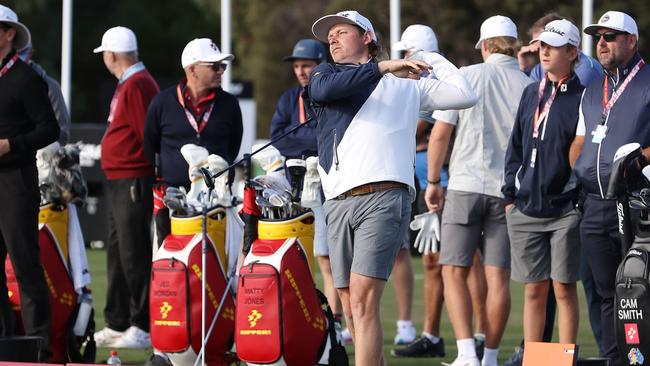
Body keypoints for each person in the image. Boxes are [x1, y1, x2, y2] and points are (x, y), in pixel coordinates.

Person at [308, 10, 477, 365]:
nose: (332, 40)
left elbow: (464, 94)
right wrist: (383, 68)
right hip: (337, 202)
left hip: (384, 197)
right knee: (350, 304)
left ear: (367, 37)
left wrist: (427, 57)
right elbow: (323, 90)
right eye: (330, 36)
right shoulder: (327, 74)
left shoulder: (407, 82)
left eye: (341, 32)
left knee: (362, 300)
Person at [425, 15, 532, 366]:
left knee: (453, 269)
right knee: (497, 276)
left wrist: (433, 182)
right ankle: (489, 358)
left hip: (464, 186)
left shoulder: (466, 76)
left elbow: (439, 134)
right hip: (509, 192)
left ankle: (467, 353)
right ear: (514, 44)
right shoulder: (528, 85)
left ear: (484, 46)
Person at [391, 24, 487, 358]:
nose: (401, 58)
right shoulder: (409, 84)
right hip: (422, 183)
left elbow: (420, 130)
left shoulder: (439, 83)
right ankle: (432, 334)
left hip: (444, 184)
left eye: (405, 52)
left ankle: (480, 334)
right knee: (434, 261)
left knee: (464, 261)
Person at [572, 11, 650, 366]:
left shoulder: (648, 80)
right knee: (606, 293)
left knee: (638, 290)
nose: (601, 43)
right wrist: (577, 169)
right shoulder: (592, 89)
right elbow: (581, 138)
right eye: (598, 38)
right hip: (594, 204)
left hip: (637, 203)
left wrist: (641, 159)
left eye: (610, 36)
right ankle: (614, 359)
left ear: (631, 41)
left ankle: (639, 359)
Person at [503, 17, 583, 350]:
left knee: (563, 289)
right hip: (524, 209)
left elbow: (583, 154)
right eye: (543, 45)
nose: (545, 52)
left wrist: (577, 199)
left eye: (554, 46)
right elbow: (516, 146)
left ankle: (564, 358)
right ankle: (535, 359)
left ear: (573, 52)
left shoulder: (585, 97)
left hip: (564, 209)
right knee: (534, 290)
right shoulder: (529, 93)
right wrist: (510, 195)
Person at [268, 38, 344, 328]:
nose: (301, 71)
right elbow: (277, 139)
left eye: (307, 65)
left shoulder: (331, 97)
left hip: (326, 186)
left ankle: (333, 320)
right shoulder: (288, 99)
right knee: (294, 256)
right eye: (297, 66)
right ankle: (302, 317)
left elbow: (328, 138)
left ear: (321, 65)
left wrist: (299, 140)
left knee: (326, 257)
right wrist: (308, 141)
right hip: (293, 186)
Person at [92, 26, 160, 349]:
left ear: (112, 55)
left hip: (133, 177)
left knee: (133, 251)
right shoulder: (131, 83)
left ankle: (142, 323)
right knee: (119, 251)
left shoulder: (137, 85)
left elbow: (146, 135)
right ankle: (118, 319)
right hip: (122, 177)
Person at [0, 4, 58, 360]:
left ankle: (39, 348)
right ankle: (5, 343)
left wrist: (11, 145)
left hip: (16, 180)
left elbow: (49, 128)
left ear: (9, 34)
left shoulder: (26, 78)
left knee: (24, 265)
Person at [144, 37, 242, 236]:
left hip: (216, 198)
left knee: (217, 263)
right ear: (192, 69)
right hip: (172, 199)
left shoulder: (229, 103)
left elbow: (233, 146)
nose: (221, 71)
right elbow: (150, 145)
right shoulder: (162, 102)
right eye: (215, 66)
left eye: (222, 66)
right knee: (172, 262)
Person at [520, 13, 603, 87]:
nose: (543, 52)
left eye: (552, 44)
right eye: (542, 45)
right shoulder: (538, 69)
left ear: (572, 53)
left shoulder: (586, 69)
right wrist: (525, 70)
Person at [18, 42, 70, 145]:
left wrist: (20, 144)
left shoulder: (50, 87)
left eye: (20, 53)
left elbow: (62, 134)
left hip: (32, 158)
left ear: (30, 54)